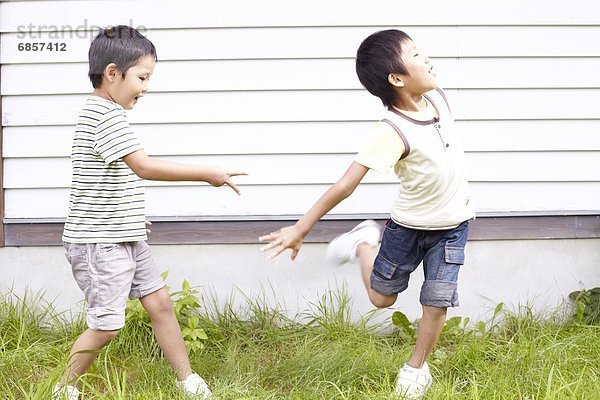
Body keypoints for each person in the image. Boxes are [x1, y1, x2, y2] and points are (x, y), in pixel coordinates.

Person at [259, 29, 474, 399]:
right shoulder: (391, 131)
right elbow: (346, 184)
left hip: (453, 227)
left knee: (437, 300)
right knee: (381, 299)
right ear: (396, 78)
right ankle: (363, 244)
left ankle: (414, 369)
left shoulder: (437, 98)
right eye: (417, 55)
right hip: (407, 229)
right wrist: (300, 228)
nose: (427, 59)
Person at [54, 25, 245, 400]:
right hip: (100, 243)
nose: (146, 87)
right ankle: (61, 389)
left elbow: (102, 179)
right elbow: (142, 166)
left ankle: (188, 381)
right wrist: (207, 173)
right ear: (112, 73)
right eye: (142, 77)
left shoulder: (105, 114)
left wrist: (128, 215)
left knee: (160, 303)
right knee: (107, 326)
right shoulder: (104, 116)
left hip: (123, 233)